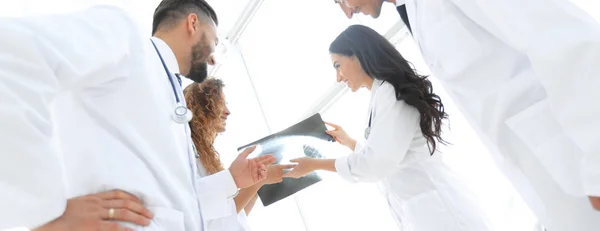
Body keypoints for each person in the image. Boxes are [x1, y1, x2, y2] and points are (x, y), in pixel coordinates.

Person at [0, 0, 275, 230]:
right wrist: (44, 214)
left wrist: (231, 180)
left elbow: (171, 204)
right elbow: (13, 56)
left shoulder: (171, 96)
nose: (214, 57)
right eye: (214, 42)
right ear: (193, 24)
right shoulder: (126, 36)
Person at [334, 0, 600, 229]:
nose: (347, 12)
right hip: (550, 178)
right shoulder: (416, 12)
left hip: (578, 164)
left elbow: (566, 40)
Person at [284, 24, 500, 231]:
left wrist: (315, 164)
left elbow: (377, 163)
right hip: (424, 212)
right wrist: (350, 142)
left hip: (441, 213)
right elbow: (389, 155)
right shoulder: (381, 95)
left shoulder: (390, 92)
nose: (338, 77)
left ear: (357, 55)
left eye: (338, 66)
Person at [184, 79, 295, 230]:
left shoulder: (206, 157)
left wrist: (256, 184)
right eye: (220, 104)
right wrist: (254, 182)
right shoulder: (187, 151)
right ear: (202, 107)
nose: (227, 112)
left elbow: (233, 218)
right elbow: (205, 214)